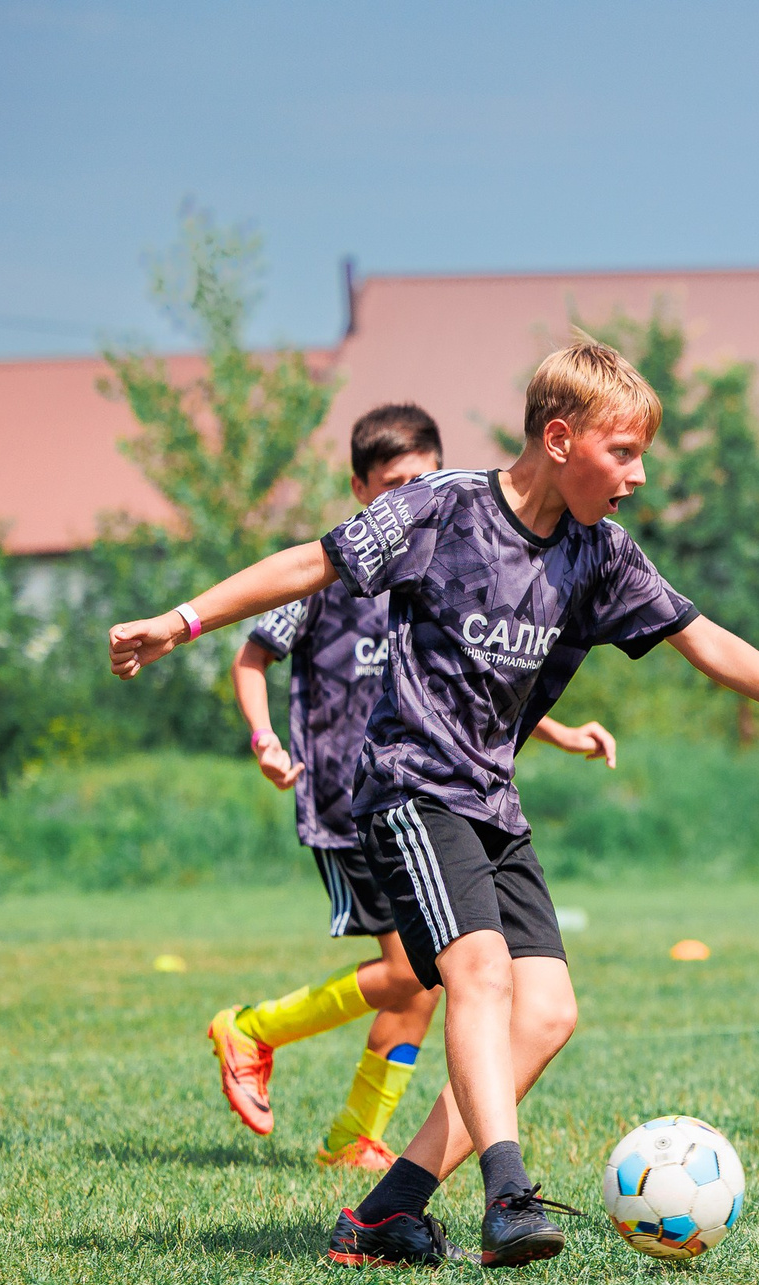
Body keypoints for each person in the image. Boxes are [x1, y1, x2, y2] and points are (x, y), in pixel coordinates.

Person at [110, 335, 759, 1268]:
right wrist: (182, 620)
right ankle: (508, 1197)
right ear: (559, 439)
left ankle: (387, 1213)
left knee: (548, 1012)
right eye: (623, 451)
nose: (639, 475)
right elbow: (309, 564)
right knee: (478, 974)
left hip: (491, 799)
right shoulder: (441, 508)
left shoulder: (600, 555)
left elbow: (704, 638)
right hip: (409, 786)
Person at [211, 402, 619, 1171]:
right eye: (395, 482)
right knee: (417, 970)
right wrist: (265, 739)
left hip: (423, 789)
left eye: (424, 478)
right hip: (346, 799)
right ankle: (254, 1029)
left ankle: (353, 1136)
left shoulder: (442, 559)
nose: (412, 492)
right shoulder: (331, 575)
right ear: (361, 489)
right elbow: (251, 656)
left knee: (431, 978)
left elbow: (472, 681)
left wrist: (560, 731)